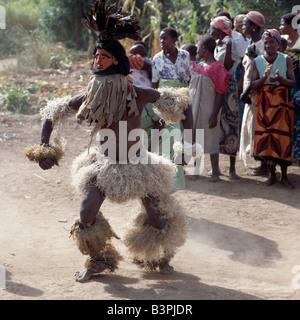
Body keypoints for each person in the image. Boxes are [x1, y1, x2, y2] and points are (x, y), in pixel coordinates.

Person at [24, 0, 190, 282]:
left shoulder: (138, 93)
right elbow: (52, 113)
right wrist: (44, 148)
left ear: (118, 65)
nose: (97, 64)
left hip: (139, 163)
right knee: (86, 213)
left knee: (158, 218)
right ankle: (99, 259)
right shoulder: (91, 95)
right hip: (103, 164)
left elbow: (174, 103)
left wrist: (182, 128)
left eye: (104, 59)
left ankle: (155, 257)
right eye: (95, 59)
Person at [251, 29, 295, 188]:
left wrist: (280, 79)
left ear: (278, 44)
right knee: (266, 138)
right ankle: (271, 175)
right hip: (264, 104)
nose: (269, 45)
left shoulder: (286, 59)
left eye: (272, 42)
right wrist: (264, 77)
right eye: (266, 43)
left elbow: (292, 82)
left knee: (282, 137)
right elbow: (253, 84)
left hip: (282, 103)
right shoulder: (257, 61)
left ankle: (284, 176)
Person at [151, 27, 193, 190]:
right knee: (166, 135)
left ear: (174, 40)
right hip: (164, 100)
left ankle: (177, 174)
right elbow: (155, 82)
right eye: (161, 39)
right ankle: (164, 174)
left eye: (165, 38)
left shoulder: (184, 55)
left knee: (182, 133)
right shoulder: (157, 58)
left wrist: (186, 98)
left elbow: (188, 79)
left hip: (182, 98)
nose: (162, 41)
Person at [189, 35, 230, 182]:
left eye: (198, 47)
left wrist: (214, 114)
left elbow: (220, 92)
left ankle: (215, 172)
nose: (197, 50)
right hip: (195, 109)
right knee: (196, 139)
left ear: (204, 49)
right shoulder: (197, 66)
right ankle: (195, 170)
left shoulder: (218, 68)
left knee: (211, 138)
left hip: (209, 109)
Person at [210, 15, 240, 179]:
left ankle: (232, 169)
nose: (211, 31)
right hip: (216, 87)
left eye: (213, 28)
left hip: (228, 87)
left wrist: (227, 48)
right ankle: (216, 169)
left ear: (219, 30)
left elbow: (227, 66)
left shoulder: (230, 43)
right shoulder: (216, 45)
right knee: (215, 124)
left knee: (231, 124)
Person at [239, 11, 267, 175]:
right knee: (251, 126)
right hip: (250, 91)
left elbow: (261, 71)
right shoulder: (251, 43)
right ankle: (261, 162)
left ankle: (264, 165)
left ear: (254, 26)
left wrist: (249, 90)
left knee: (258, 127)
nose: (243, 26)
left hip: (258, 92)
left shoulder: (263, 45)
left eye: (246, 24)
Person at [280, 13, 300, 163]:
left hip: (297, 85)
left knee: (297, 120)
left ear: (292, 25)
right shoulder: (282, 41)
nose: (280, 26)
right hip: (281, 85)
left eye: (283, 23)